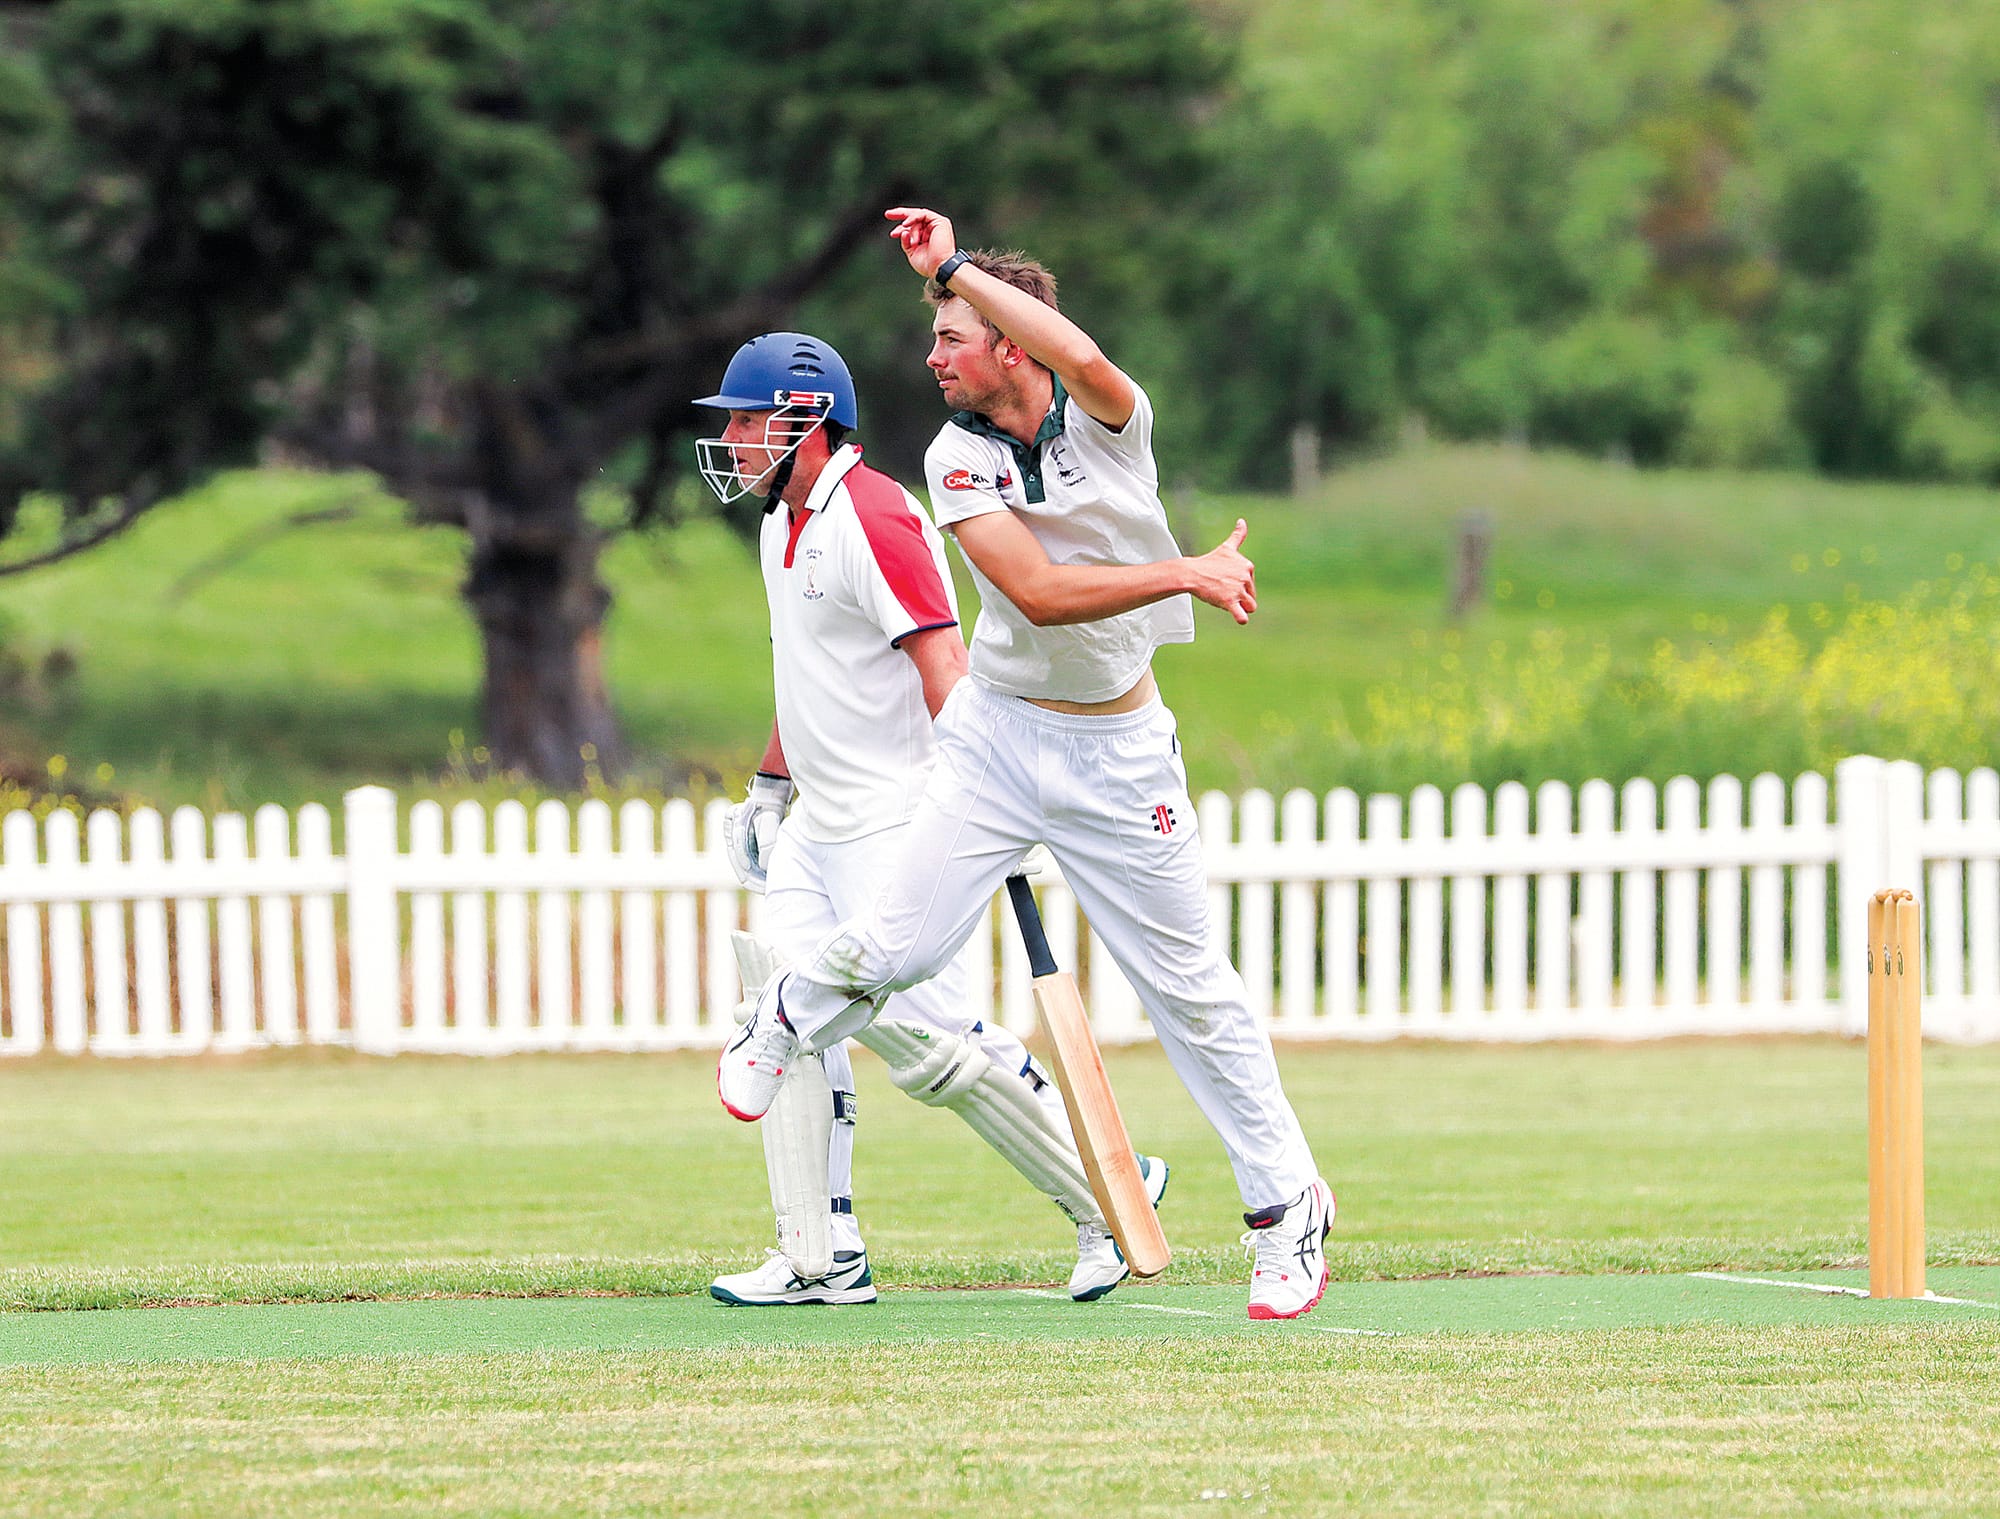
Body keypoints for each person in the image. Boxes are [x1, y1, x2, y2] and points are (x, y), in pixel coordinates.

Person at [717, 214, 1335, 1321]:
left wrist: (953, 269)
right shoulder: (953, 460)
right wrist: (1180, 572)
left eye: (952, 335)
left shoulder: (1110, 422)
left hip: (1119, 749)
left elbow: (1083, 357)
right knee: (896, 945)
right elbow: (1037, 595)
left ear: (1010, 343)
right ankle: (788, 1013)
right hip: (998, 737)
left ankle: (1285, 1208)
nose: (931, 355)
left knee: (1189, 994)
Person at [693, 330, 1167, 1308]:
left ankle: (1106, 1198)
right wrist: (770, 787)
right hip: (820, 822)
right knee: (780, 1009)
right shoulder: (782, 527)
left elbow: (944, 667)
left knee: (928, 1043)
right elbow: (811, 679)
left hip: (899, 817)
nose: (734, 440)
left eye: (747, 420)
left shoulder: (873, 515)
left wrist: (987, 792)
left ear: (803, 420)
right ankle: (818, 1254)